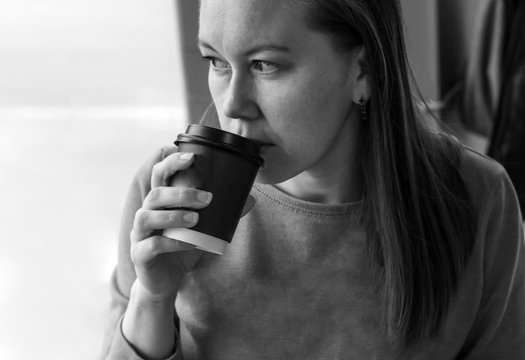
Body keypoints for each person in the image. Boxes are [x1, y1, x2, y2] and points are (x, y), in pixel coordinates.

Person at [100, 0, 525, 359]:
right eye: (216, 61)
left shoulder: (479, 197)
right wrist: (152, 301)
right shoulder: (168, 194)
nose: (233, 105)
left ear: (363, 69)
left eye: (265, 65)